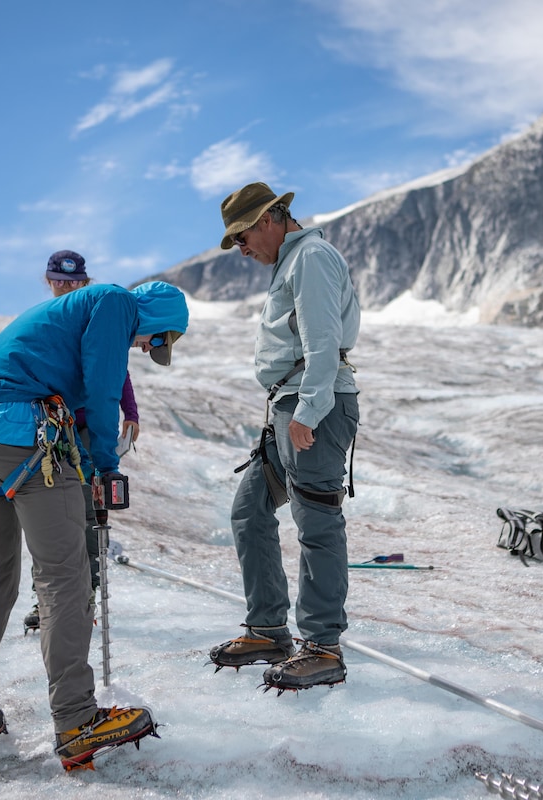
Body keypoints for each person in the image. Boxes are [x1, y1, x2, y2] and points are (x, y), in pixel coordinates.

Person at [0, 280, 189, 772]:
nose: (146, 348)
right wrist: (102, 464)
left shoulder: (79, 308)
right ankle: (77, 721)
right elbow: (102, 388)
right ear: (159, 319)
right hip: (27, 439)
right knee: (64, 578)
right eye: (158, 340)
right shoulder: (118, 303)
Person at [209, 182, 360, 693]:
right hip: (289, 405)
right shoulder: (291, 262)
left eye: (243, 236)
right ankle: (270, 631)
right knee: (249, 510)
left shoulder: (310, 258)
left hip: (312, 405)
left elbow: (324, 341)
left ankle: (323, 648)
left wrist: (311, 410)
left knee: (316, 519)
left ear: (271, 218)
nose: (242, 249)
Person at [22, 250, 140, 633]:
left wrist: (130, 412)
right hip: (56, 426)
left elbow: (115, 370)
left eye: (73, 282)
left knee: (89, 510)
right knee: (52, 512)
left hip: (86, 427)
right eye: (59, 280)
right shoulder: (52, 323)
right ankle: (49, 596)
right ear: (48, 280)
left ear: (84, 283)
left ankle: (84, 591)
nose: (66, 287)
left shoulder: (93, 317)